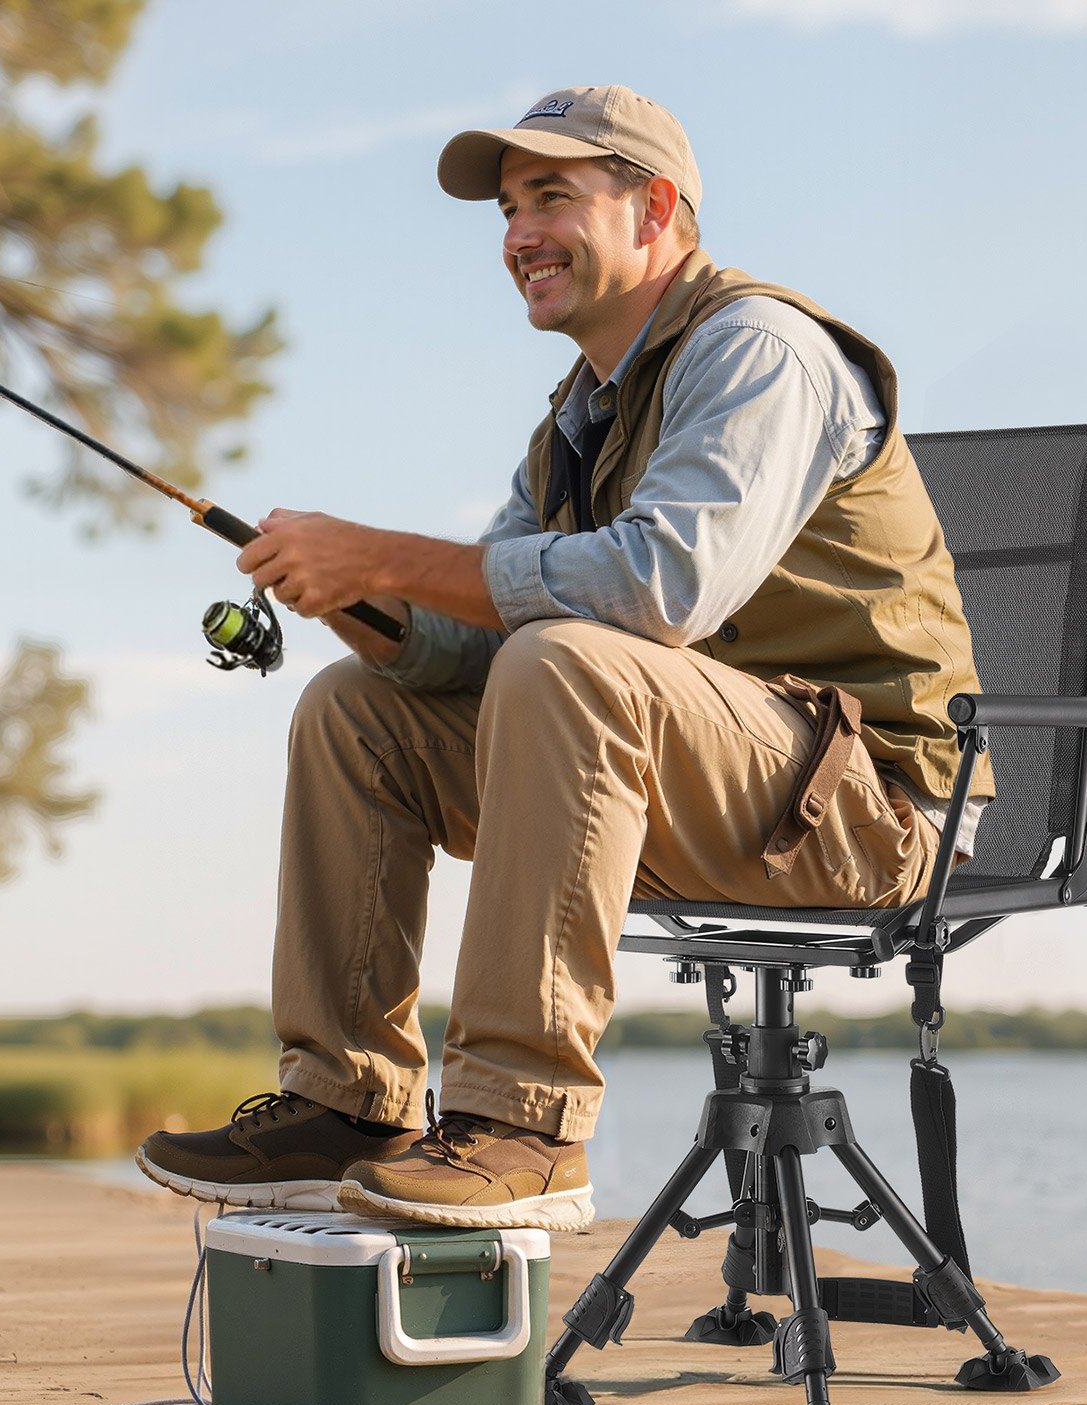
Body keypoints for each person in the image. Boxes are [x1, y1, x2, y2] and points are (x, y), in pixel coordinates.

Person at [137, 84, 992, 1231]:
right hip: (701, 776)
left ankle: (523, 1125)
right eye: (505, 208)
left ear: (654, 210)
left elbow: (657, 587)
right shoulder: (577, 418)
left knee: (571, 662)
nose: (517, 235)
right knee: (354, 707)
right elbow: (465, 636)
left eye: (551, 197)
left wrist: (384, 551)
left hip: (869, 810)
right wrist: (357, 598)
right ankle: (347, 1102)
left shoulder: (759, 350)